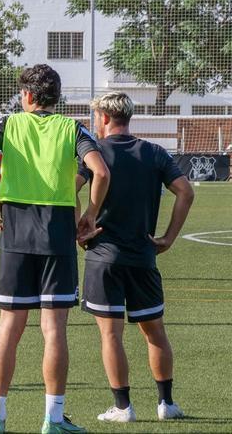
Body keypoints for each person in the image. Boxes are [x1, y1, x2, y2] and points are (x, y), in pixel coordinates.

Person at [0, 64, 110, 434]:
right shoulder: (71, 128)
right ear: (56, 98)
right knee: (53, 330)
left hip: (15, 231)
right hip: (57, 233)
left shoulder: (8, 125)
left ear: (26, 96)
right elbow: (101, 172)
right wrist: (90, 215)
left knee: (8, 329)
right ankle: (53, 420)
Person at [76, 92, 194, 423]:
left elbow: (67, 187)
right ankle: (166, 404)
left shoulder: (94, 154)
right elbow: (186, 192)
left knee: (111, 335)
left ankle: (123, 408)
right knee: (155, 331)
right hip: (143, 256)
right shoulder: (154, 152)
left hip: (103, 257)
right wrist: (168, 238)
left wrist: (79, 227)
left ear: (103, 118)